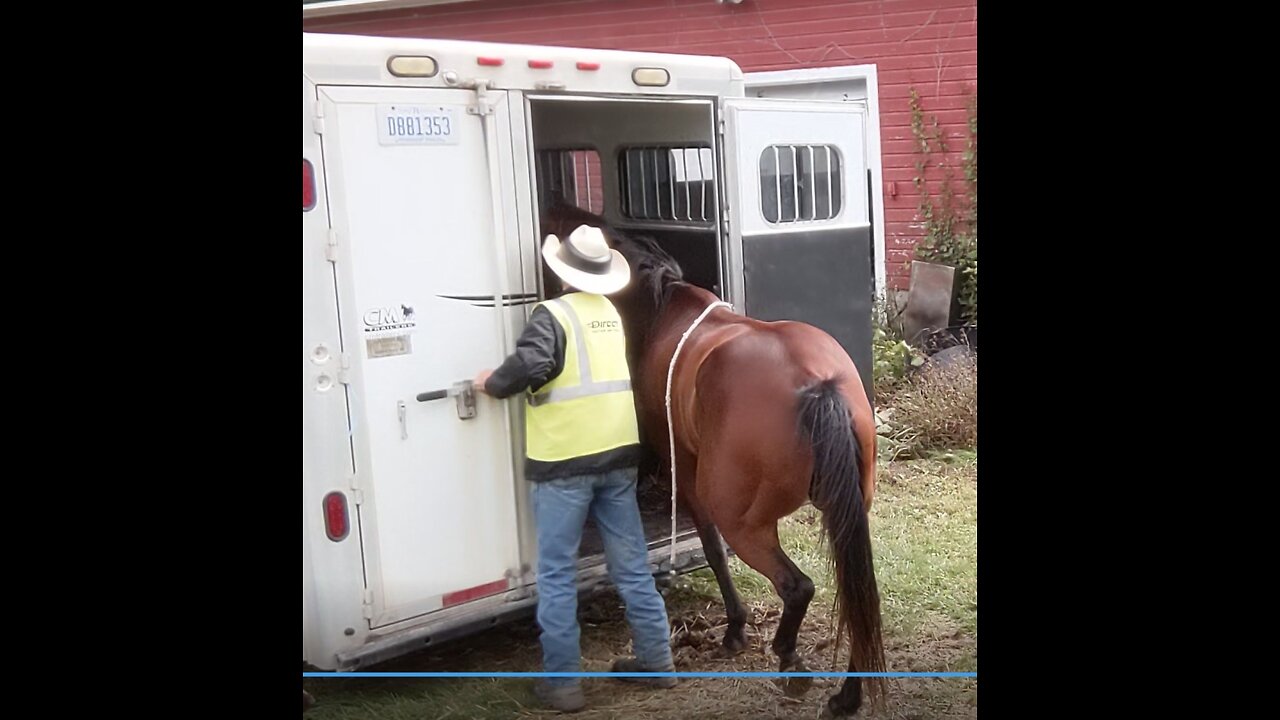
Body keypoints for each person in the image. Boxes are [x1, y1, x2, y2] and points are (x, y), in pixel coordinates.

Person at [474, 224, 676, 713]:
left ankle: (563, 684)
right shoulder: (608, 313)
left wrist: (492, 383)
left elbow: (531, 367)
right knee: (630, 565)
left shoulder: (553, 314)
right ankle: (658, 661)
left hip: (563, 462)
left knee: (558, 574)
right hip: (618, 457)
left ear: (561, 271)